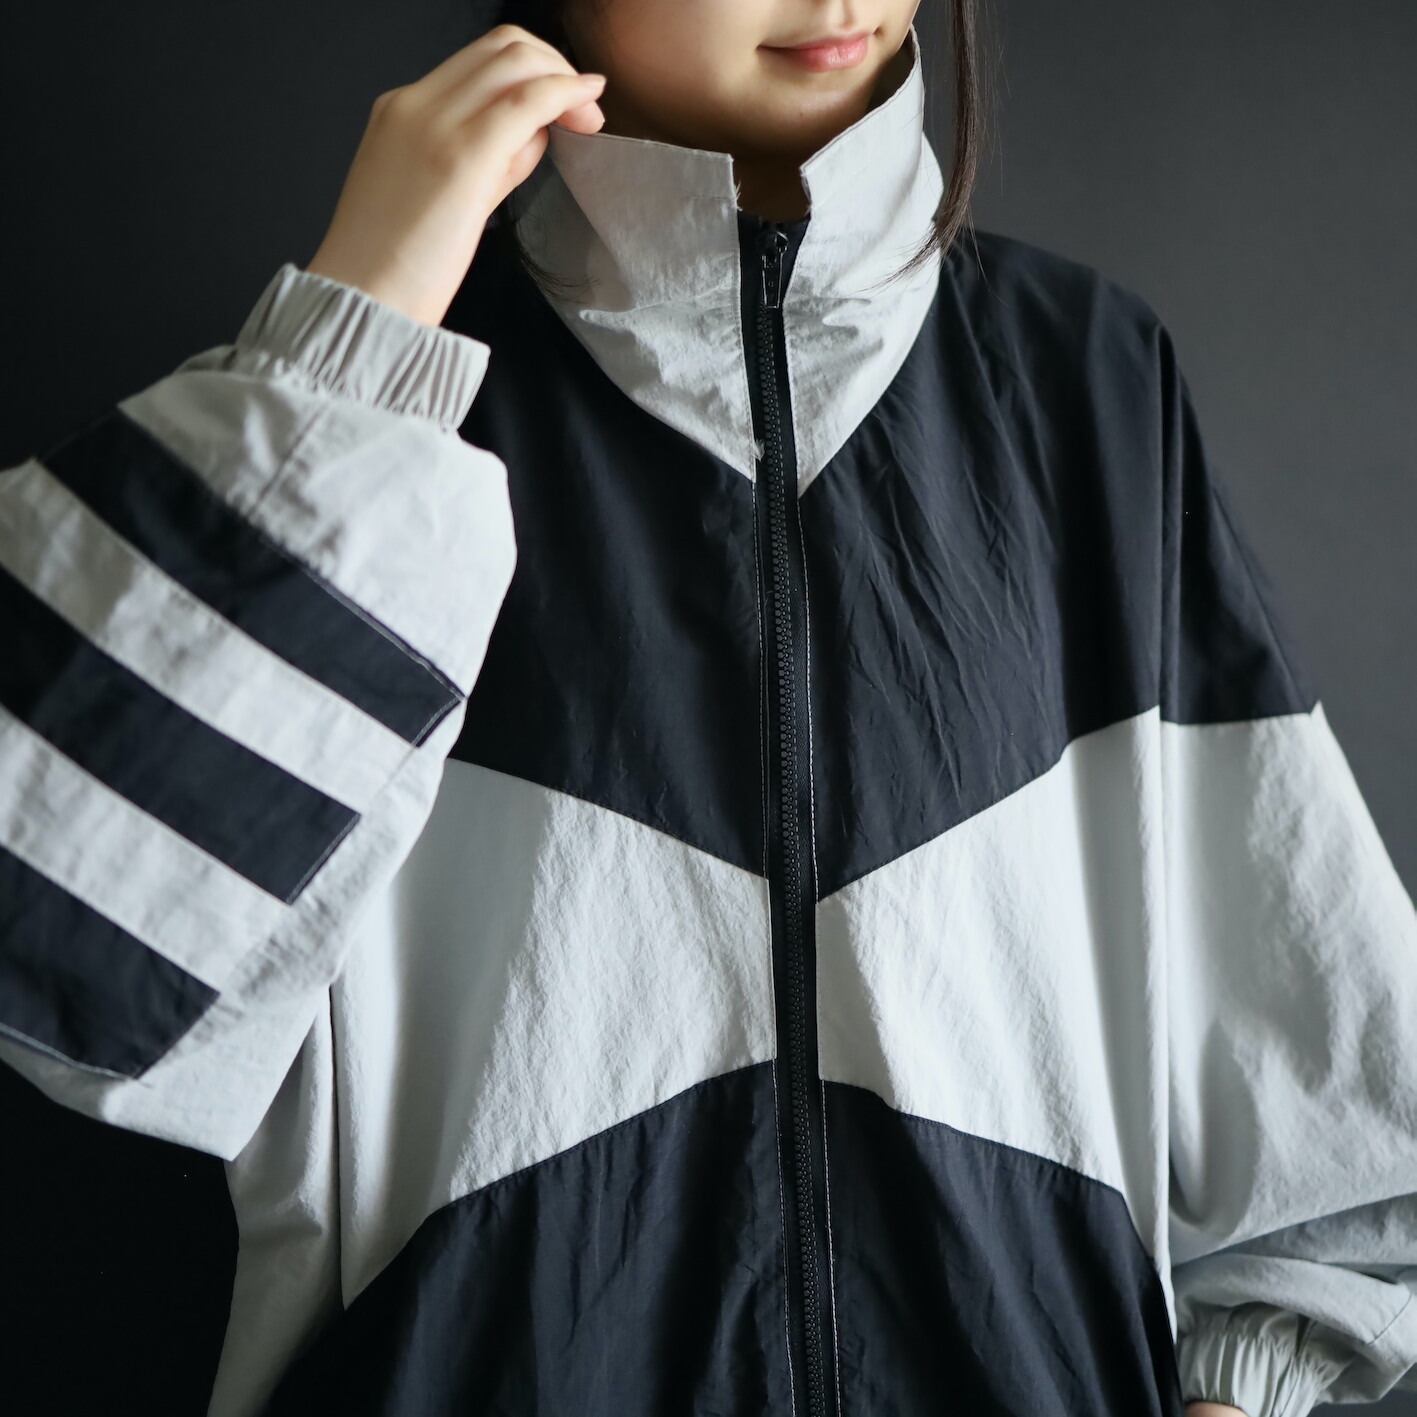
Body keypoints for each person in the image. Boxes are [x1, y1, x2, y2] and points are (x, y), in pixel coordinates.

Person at [2, 4, 1414, 1415]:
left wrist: (1238, 1391)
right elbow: (73, 953)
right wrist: (356, 334)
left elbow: (1321, 1084)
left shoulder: (1085, 379)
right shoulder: (376, 426)